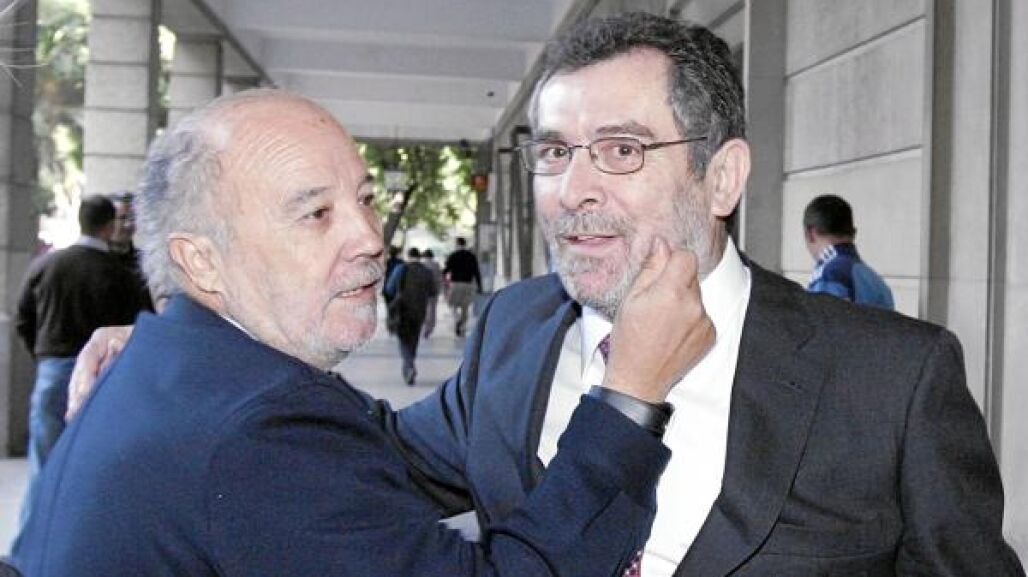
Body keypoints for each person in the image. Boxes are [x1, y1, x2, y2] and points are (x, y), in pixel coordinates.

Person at [390, 13, 1024, 577]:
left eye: (622, 149)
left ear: (722, 178)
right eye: (555, 151)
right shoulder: (511, 329)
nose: (572, 189)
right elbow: (361, 463)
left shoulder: (893, 379)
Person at [12, 89, 717, 576]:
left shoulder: (183, 370)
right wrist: (630, 395)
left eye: (367, 199)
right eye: (316, 214)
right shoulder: (254, 428)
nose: (371, 237)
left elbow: (376, 449)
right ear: (201, 261)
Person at [12, 195, 148, 546]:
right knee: (92, 467)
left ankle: (27, 549)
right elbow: (140, 325)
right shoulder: (120, 273)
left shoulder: (47, 265)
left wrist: (43, 355)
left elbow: (23, 317)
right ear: (109, 226)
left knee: (43, 465)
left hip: (52, 370)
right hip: (102, 376)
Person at [803, 194, 895, 309]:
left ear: (810, 234)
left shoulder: (829, 274)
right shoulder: (876, 282)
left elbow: (822, 319)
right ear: (853, 233)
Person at [393, 247, 438, 385]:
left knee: (403, 339)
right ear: (419, 257)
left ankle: (409, 365)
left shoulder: (401, 269)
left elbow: (389, 287)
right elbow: (433, 292)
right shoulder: (427, 272)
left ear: (408, 256)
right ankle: (410, 363)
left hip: (403, 310)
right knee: (414, 338)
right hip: (420, 310)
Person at [109, 191, 155, 311]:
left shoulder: (142, 260)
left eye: (132, 218)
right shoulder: (95, 262)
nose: (128, 224)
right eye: (122, 218)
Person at [442, 236, 481, 336]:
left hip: (455, 284)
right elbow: (476, 272)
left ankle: (457, 319)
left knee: (452, 305)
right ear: (465, 244)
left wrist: (443, 280)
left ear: (457, 244)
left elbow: (446, 269)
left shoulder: (453, 255)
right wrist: (479, 286)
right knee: (465, 307)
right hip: (468, 284)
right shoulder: (471, 256)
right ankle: (462, 326)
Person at [421, 248, 443, 337]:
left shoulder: (422, 265)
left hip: (424, 290)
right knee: (433, 309)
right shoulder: (436, 265)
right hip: (434, 290)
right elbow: (439, 278)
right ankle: (430, 327)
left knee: (424, 308)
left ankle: (425, 326)